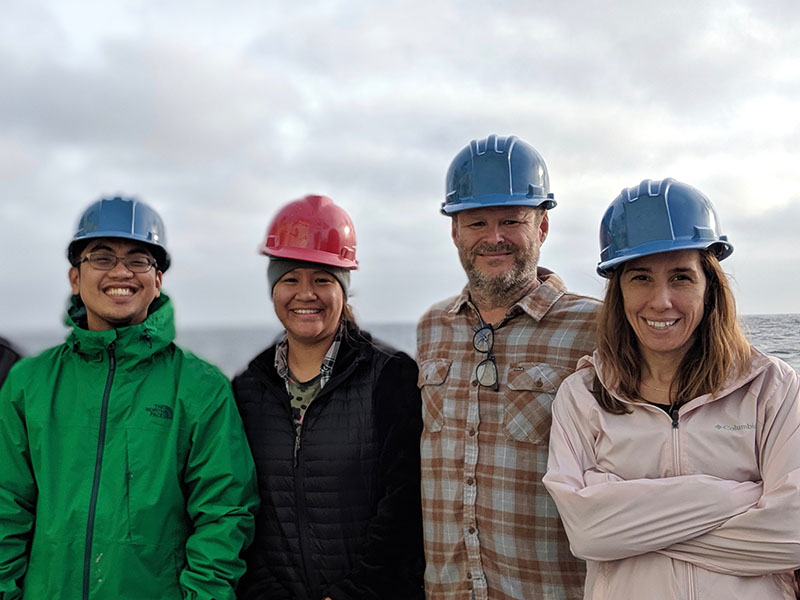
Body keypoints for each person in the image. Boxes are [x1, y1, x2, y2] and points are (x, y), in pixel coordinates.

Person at [543, 178, 800, 598]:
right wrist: (736, 497)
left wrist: (629, 526)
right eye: (641, 277)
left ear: (709, 287)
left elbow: (793, 532)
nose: (661, 300)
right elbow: (588, 534)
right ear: (619, 290)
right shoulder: (584, 395)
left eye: (681, 277)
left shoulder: (772, 387)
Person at [0, 196, 259, 599]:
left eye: (139, 260)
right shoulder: (27, 383)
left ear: (158, 280)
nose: (121, 272)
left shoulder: (201, 386)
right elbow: (5, 505)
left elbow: (224, 514)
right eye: (101, 257)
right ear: (74, 277)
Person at [417, 134, 600, 600]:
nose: (493, 237)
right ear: (455, 232)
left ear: (541, 228)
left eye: (511, 220)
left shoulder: (598, 328)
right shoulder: (432, 328)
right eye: (476, 222)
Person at [233, 194, 425, 600]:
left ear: (344, 287)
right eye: (290, 279)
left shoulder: (392, 376)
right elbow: (243, 511)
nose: (306, 294)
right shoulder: (248, 389)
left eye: (322, 279)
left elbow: (404, 507)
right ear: (273, 289)